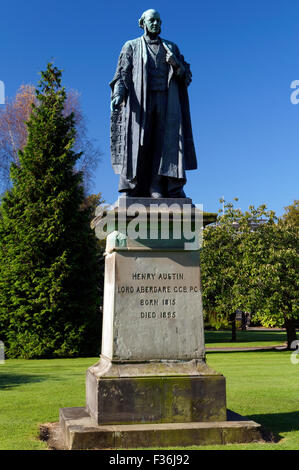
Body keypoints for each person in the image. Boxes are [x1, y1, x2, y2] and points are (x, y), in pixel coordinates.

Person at [110, 9, 197, 198]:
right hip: (140, 102)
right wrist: (118, 94)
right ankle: (132, 187)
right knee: (139, 143)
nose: (156, 24)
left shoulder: (171, 47)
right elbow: (122, 74)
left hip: (167, 102)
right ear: (142, 23)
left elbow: (186, 77)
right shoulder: (131, 46)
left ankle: (158, 186)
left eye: (159, 21)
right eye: (152, 20)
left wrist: (176, 64)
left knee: (164, 145)